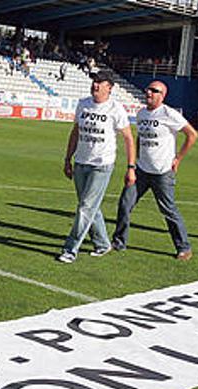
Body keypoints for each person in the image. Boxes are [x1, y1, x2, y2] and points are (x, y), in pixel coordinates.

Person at [112, 80, 197, 260]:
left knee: (168, 210)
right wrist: (133, 165)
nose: (149, 93)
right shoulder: (142, 113)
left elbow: (192, 134)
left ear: (162, 95)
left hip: (162, 172)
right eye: (148, 89)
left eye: (154, 90)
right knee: (125, 204)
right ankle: (119, 241)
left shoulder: (169, 113)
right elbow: (139, 140)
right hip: (142, 170)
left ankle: (184, 247)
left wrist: (178, 158)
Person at [57, 69, 135, 263]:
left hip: (102, 164)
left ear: (110, 87)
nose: (95, 85)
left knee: (85, 207)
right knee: (91, 207)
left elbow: (128, 139)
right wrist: (68, 159)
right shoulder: (83, 104)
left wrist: (131, 167)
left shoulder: (115, 109)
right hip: (81, 162)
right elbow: (75, 132)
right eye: (94, 81)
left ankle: (70, 249)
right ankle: (102, 243)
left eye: (100, 82)